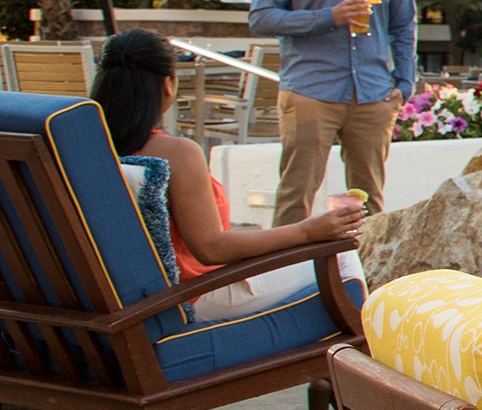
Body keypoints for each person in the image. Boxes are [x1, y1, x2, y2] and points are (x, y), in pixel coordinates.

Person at [89, 30, 365, 317]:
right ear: (168, 85)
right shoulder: (175, 154)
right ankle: (362, 356)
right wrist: (307, 231)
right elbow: (211, 249)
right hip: (191, 297)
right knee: (342, 256)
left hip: (123, 304)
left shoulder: (84, 149)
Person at [248, 0, 415, 224]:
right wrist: (329, 16)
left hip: (372, 96)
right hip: (310, 92)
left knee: (369, 202)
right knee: (296, 196)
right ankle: (286, 278)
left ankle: (364, 276)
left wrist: (405, 83)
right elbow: (260, 17)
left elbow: (403, 25)